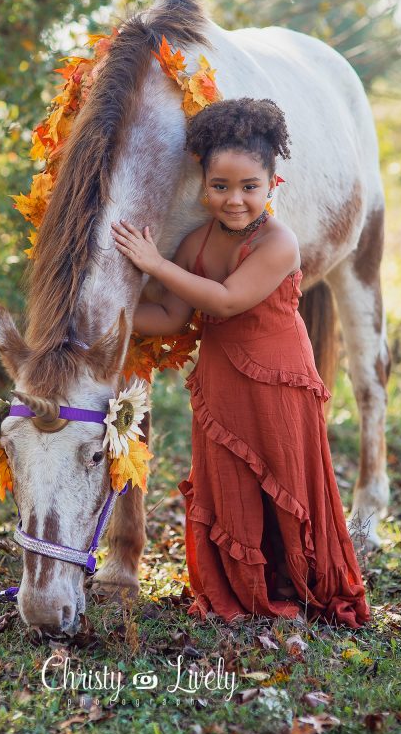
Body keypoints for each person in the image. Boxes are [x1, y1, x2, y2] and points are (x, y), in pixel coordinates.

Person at [110, 97, 371, 628]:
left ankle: (290, 584)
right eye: (221, 187)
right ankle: (237, 587)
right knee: (228, 483)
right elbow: (170, 314)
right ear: (201, 186)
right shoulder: (193, 246)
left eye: (249, 187)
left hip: (278, 379)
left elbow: (226, 301)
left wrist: (154, 262)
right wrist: (113, 311)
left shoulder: (278, 242)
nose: (235, 200)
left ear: (273, 184)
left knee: (283, 481)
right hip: (223, 381)